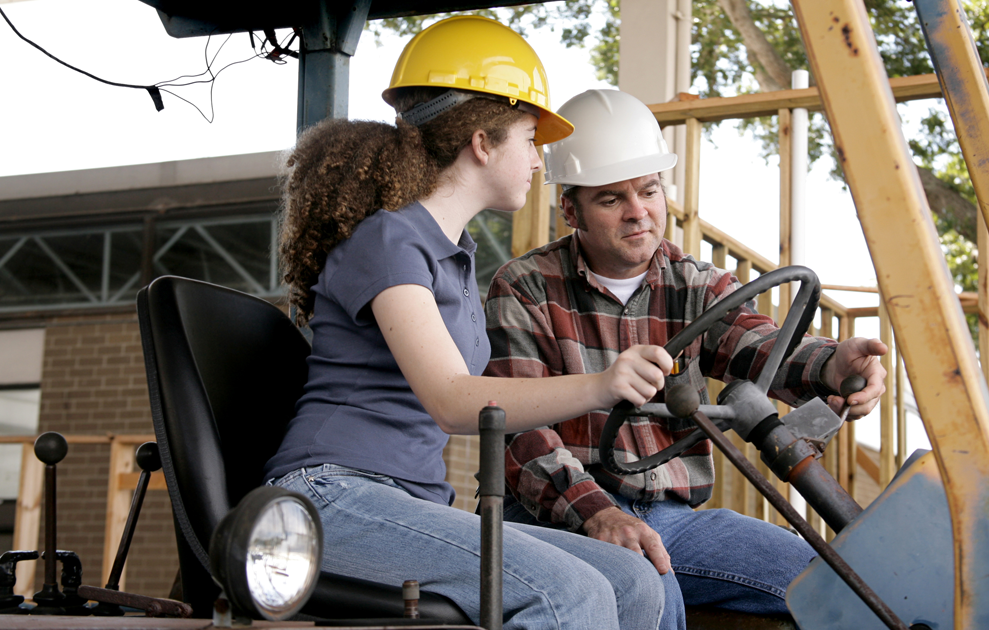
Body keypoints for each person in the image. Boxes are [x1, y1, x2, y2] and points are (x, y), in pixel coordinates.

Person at [263, 21, 678, 630]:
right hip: (330, 497)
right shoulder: (389, 239)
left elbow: (490, 393)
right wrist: (602, 383)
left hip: (406, 501)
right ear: (483, 143)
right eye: (531, 140)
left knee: (634, 583)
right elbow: (456, 403)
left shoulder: (452, 254)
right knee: (572, 596)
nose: (540, 159)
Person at [485, 88, 889, 622]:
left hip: (676, 516)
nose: (638, 213)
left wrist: (834, 366)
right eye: (611, 199)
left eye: (649, 191)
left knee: (843, 583)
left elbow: (760, 344)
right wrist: (598, 513)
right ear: (569, 208)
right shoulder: (525, 288)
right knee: (650, 587)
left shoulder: (695, 284)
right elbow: (521, 431)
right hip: (562, 515)